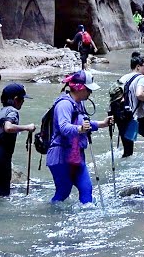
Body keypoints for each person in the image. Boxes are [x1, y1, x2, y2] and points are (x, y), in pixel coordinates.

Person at [47, 71, 112, 204]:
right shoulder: (64, 104)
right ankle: (52, 218)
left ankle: (88, 220)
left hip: (76, 155)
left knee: (86, 189)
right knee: (63, 192)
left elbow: (84, 123)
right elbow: (64, 127)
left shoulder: (79, 103)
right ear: (80, 88)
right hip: (61, 155)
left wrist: (102, 124)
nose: (90, 93)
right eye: (89, 89)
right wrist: (80, 129)